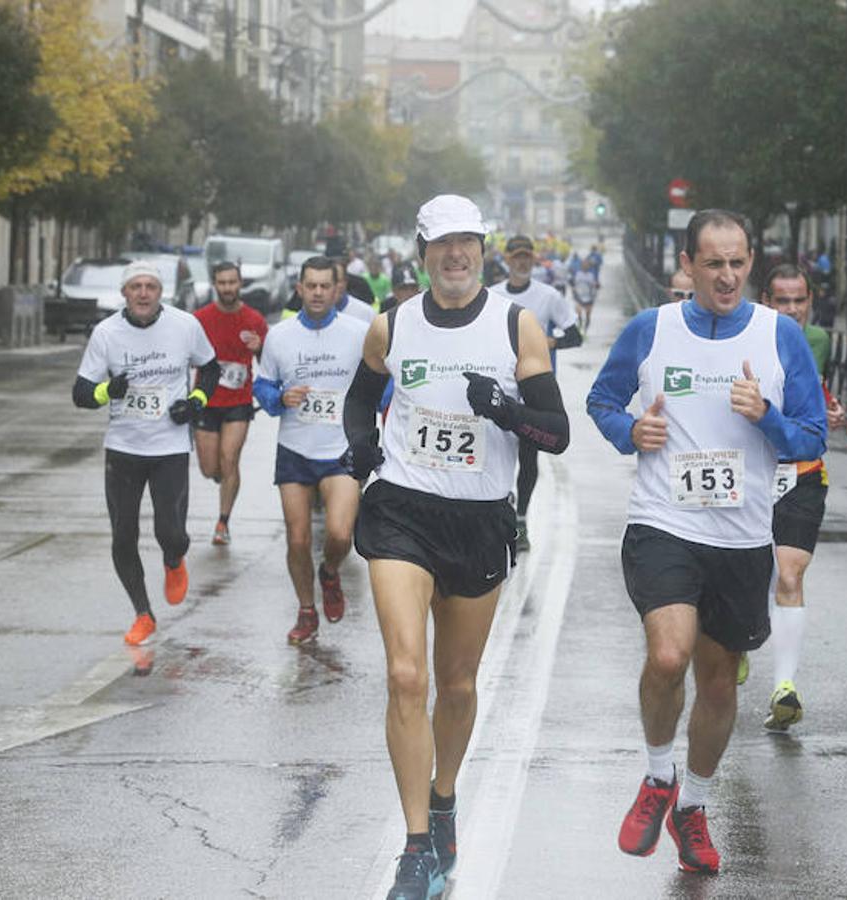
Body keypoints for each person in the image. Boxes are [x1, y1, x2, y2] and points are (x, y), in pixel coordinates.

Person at [341, 195, 570, 900]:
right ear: (422, 253)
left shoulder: (515, 326)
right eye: (442, 245)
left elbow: (555, 433)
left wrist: (502, 408)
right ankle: (416, 847)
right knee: (406, 675)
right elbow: (360, 398)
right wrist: (360, 445)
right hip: (401, 513)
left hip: (477, 520)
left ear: (484, 250)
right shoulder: (391, 325)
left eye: (467, 243)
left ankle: (444, 802)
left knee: (458, 683)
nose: (456, 256)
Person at [586, 209, 826, 875]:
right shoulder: (651, 330)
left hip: (744, 538)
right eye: (713, 263)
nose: (727, 276)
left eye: (738, 262)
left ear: (751, 262)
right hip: (664, 523)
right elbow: (602, 402)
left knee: (719, 683)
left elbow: (811, 437)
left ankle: (692, 805)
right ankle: (657, 775)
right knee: (668, 657)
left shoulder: (780, 336)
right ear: (687, 265)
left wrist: (768, 418)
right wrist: (630, 433)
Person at [72, 260, 219, 645]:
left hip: (169, 447)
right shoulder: (106, 333)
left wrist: (196, 401)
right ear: (124, 293)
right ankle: (143, 613)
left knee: (170, 531)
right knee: (123, 535)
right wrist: (108, 391)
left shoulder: (185, 326)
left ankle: (174, 559)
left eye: (150, 286)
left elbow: (212, 368)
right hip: (123, 449)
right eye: (135, 286)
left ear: (160, 292)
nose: (142, 293)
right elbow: (81, 394)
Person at [253, 256, 369, 645]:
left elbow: (380, 385)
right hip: (295, 449)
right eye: (311, 285)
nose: (318, 292)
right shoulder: (279, 336)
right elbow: (263, 389)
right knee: (298, 539)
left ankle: (331, 572)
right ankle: (306, 610)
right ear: (300, 289)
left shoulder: (359, 332)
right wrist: (281, 397)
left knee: (339, 533)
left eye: (325, 285)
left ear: (336, 289)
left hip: (340, 450)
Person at [754, 263, 846, 732]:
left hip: (802, 471)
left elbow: (812, 395)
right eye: (782, 300)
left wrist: (829, 411)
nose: (792, 309)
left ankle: (784, 688)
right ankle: (738, 642)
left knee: (789, 573)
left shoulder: (820, 342)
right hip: (749, 471)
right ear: (766, 302)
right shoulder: (746, 336)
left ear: (810, 302)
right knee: (747, 578)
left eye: (799, 300)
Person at [488, 234, 583, 552]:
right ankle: (496, 513)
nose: (522, 261)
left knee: (529, 461)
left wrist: (546, 342)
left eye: (527, 256)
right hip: (501, 390)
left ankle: (522, 521)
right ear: (506, 259)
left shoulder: (548, 296)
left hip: (536, 392)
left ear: (534, 259)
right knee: (495, 456)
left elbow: (575, 335)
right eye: (516, 256)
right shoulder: (493, 296)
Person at [194, 261, 267, 545]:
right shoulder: (200, 319)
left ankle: (222, 522)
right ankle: (222, 478)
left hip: (238, 401)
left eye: (232, 282)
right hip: (206, 400)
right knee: (210, 467)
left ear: (240, 284)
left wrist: (259, 348)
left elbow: (268, 362)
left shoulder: (254, 319)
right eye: (222, 283)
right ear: (215, 285)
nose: (227, 288)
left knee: (229, 458)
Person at [573, 258, 599, 331]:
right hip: (579, 297)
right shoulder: (578, 274)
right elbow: (575, 285)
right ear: (581, 266)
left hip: (589, 298)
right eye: (584, 265)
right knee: (578, 312)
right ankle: (580, 326)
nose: (585, 266)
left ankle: (585, 330)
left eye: (587, 265)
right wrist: (574, 291)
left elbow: (594, 286)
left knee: (588, 315)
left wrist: (596, 286)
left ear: (589, 266)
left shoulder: (591, 275)